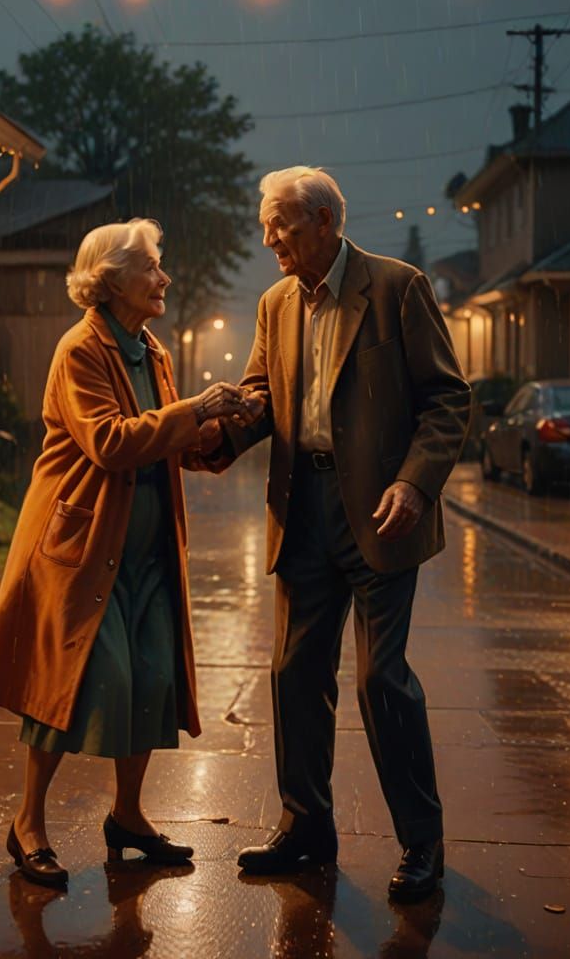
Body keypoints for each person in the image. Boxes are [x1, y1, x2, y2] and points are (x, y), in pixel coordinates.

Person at [203, 167, 471, 901]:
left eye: (280, 225)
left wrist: (415, 482)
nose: (269, 240)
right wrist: (222, 435)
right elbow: (262, 396)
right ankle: (306, 829)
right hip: (303, 507)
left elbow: (448, 399)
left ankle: (422, 842)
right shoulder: (275, 304)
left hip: (384, 507)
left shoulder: (397, 288)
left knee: (382, 677)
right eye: (266, 227)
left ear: (323, 220)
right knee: (295, 671)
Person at [0, 218, 256, 889]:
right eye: (151, 267)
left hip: (148, 552)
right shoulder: (80, 350)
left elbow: (168, 439)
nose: (164, 278)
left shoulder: (151, 350)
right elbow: (111, 443)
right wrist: (193, 410)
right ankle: (27, 822)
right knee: (69, 685)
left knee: (152, 681)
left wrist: (223, 424)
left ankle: (127, 816)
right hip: (83, 547)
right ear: (112, 279)